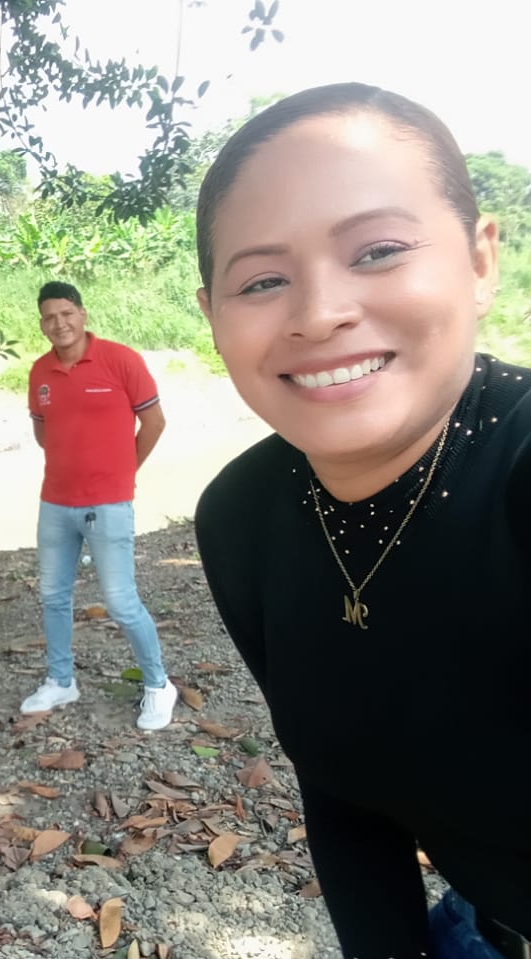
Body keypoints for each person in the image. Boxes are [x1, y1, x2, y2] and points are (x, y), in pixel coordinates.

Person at [193, 83, 530, 958]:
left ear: (481, 260)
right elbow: (340, 786)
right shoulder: (241, 518)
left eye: (377, 251)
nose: (319, 313)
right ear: (212, 316)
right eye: (263, 280)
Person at [21, 282, 178, 730]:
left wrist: (123, 471)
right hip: (55, 503)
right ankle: (61, 680)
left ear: (82, 314)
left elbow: (154, 422)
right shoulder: (40, 372)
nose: (59, 324)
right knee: (53, 595)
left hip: (109, 503)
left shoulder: (121, 360)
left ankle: (158, 685)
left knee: (121, 601)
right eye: (50, 317)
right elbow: (43, 431)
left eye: (66, 313)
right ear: (42, 324)